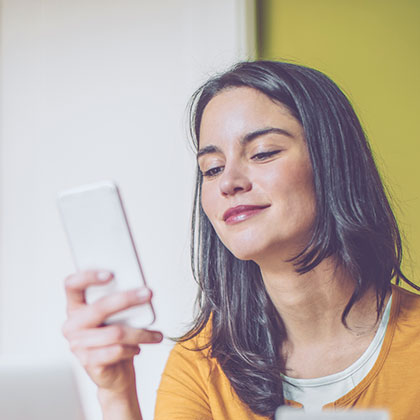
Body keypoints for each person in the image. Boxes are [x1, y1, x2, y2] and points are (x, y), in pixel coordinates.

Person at [62, 61, 420, 420]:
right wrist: (115, 393)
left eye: (263, 153)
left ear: (332, 162)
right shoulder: (201, 362)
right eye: (212, 169)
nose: (228, 182)